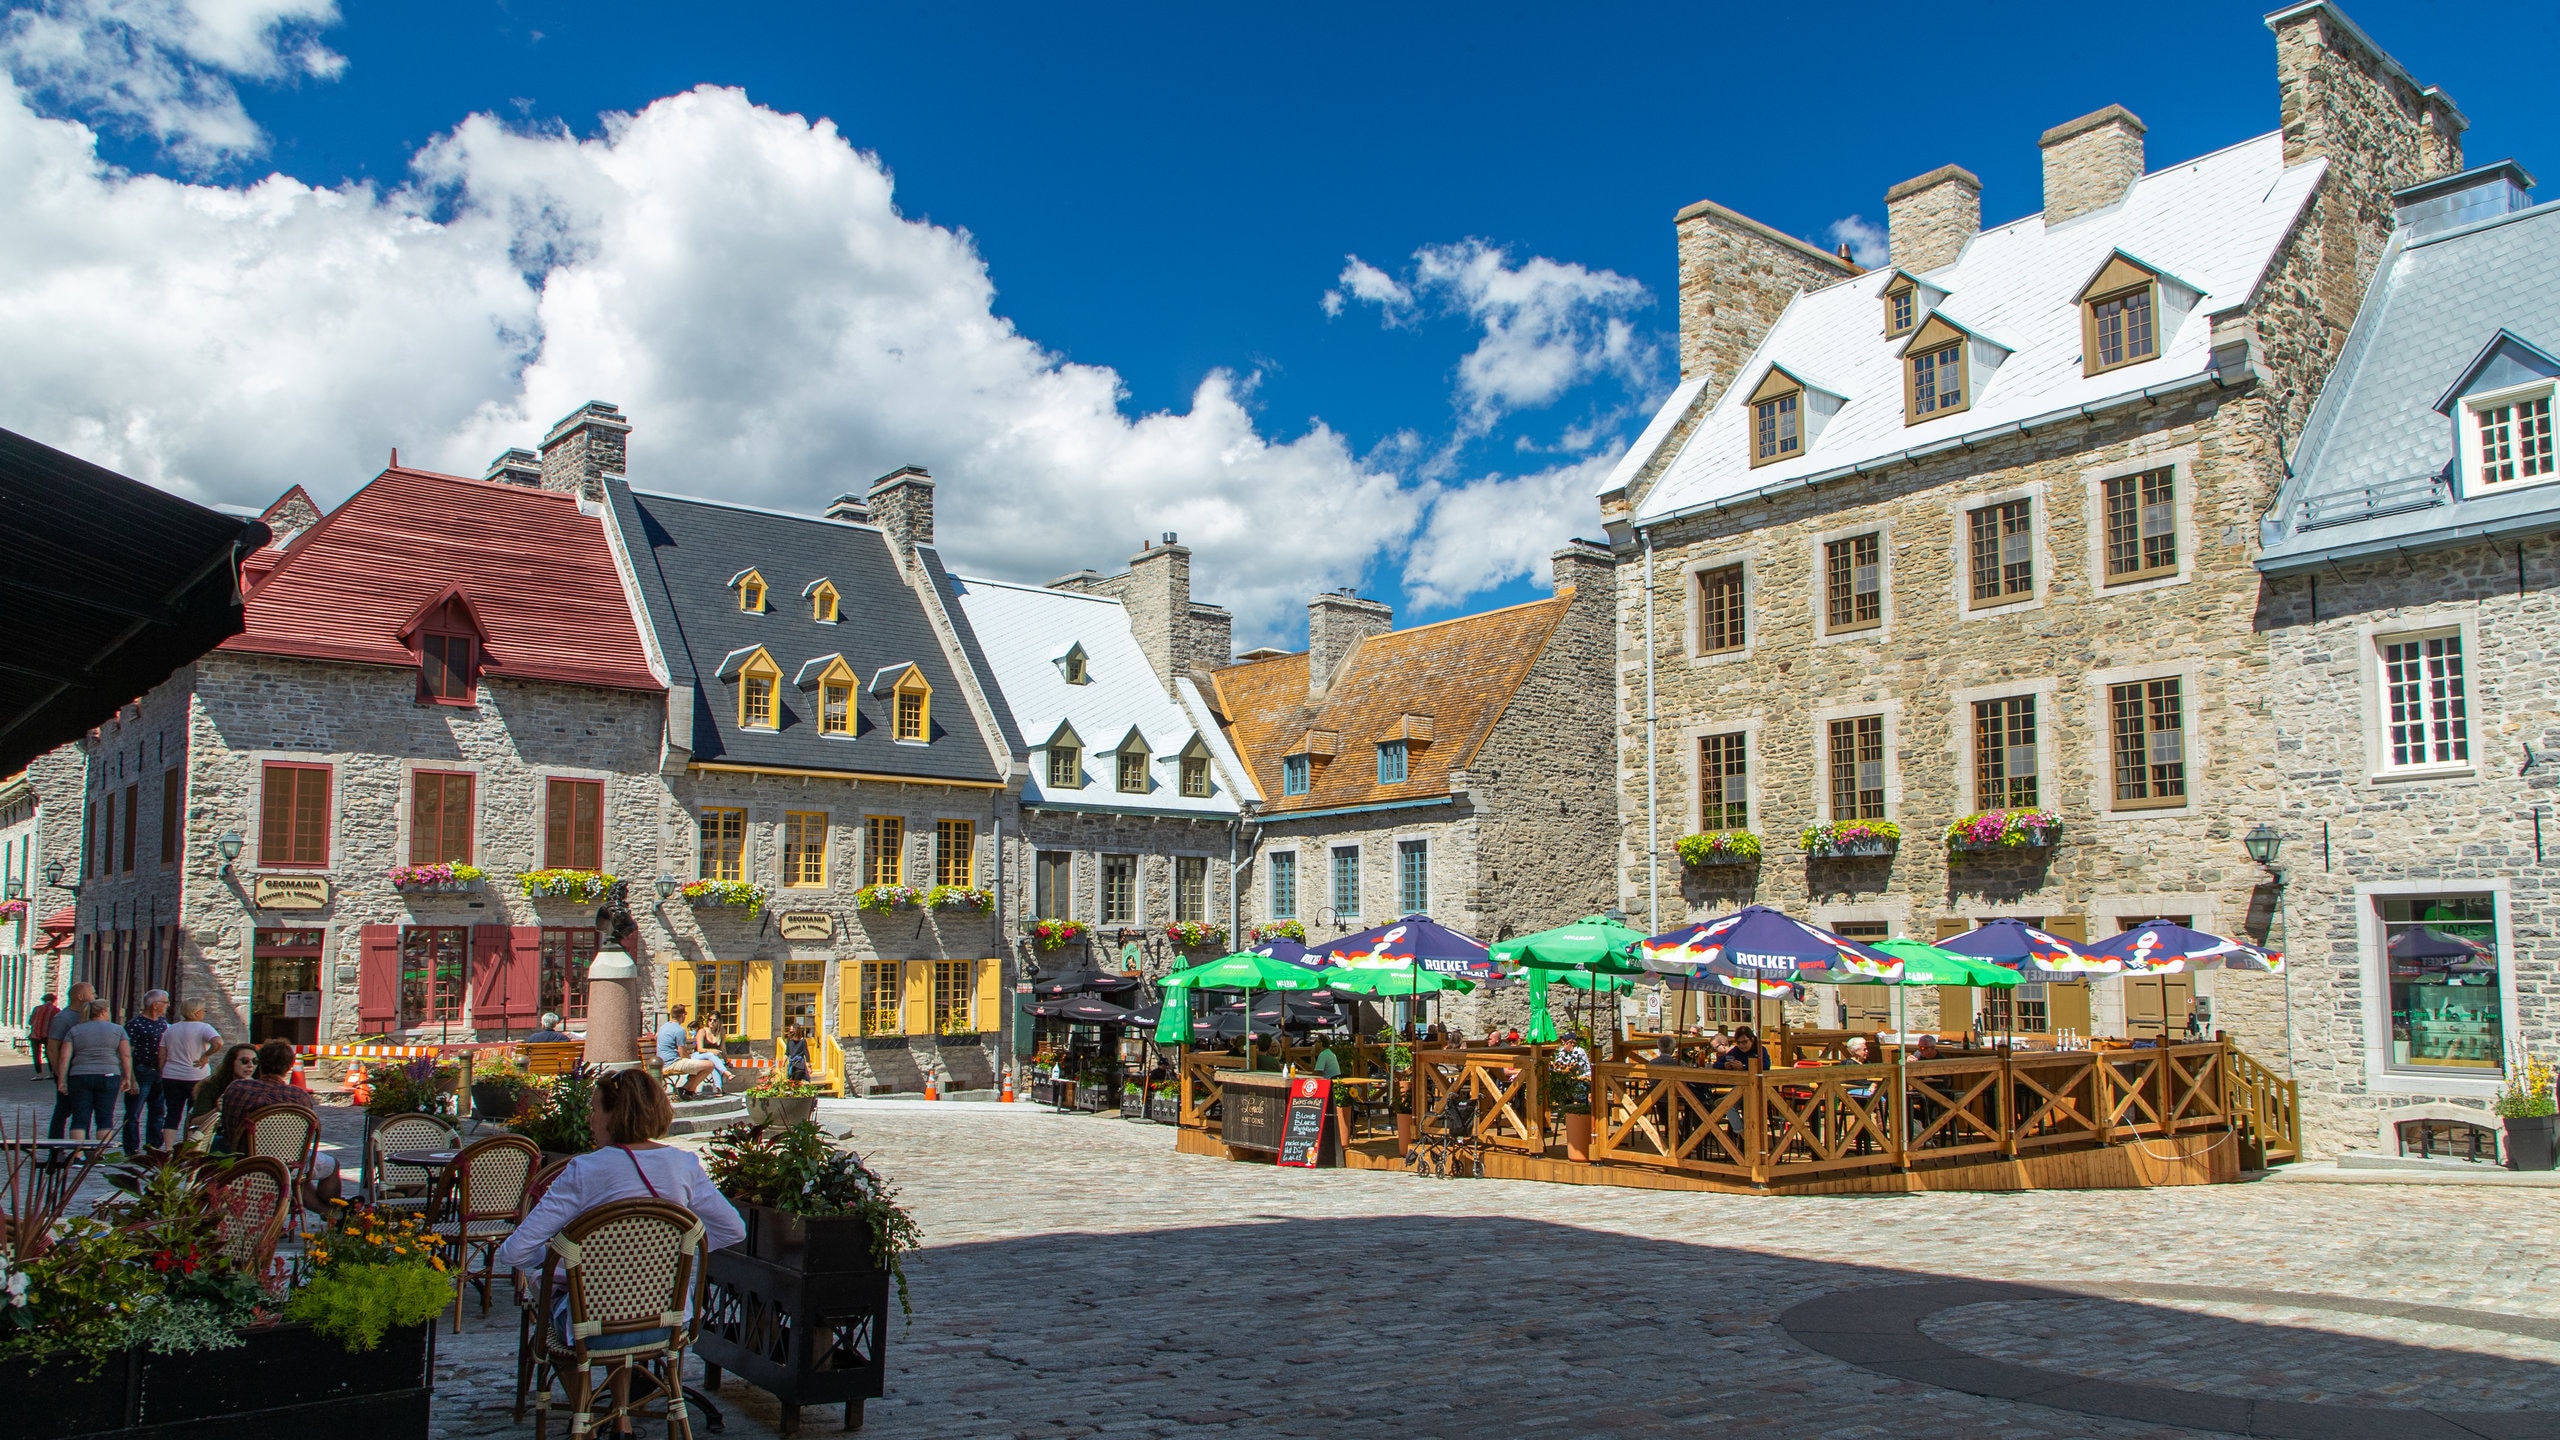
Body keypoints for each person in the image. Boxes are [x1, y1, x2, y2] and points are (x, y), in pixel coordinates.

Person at [495, 1068, 746, 1377]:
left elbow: (514, 1251)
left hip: (593, 1328)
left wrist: (556, 1263)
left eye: (594, 1110)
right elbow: (732, 1229)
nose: (590, 1119)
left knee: (554, 1301)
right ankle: (622, 1416)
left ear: (615, 1115)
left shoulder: (584, 1170)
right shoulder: (684, 1165)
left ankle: (585, 1412)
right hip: (667, 1323)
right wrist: (673, 1252)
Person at [218, 1040, 340, 1202]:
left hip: (244, 1160)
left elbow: (227, 1124)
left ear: (259, 1063)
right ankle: (334, 1211)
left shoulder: (237, 1088)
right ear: (289, 1067)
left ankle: (327, 1211)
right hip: (289, 1164)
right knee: (331, 1166)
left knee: (296, 1175)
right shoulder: (300, 1097)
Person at [56, 999, 134, 1143]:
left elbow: (64, 1057)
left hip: (80, 1075)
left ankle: (77, 1155)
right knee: (105, 1117)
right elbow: (126, 1055)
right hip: (109, 1074)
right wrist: (127, 1077)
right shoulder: (117, 1030)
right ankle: (100, 1155)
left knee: (80, 1117)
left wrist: (62, 1080)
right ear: (104, 1012)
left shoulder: (75, 1030)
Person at [156, 1001, 222, 1148]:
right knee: (195, 1114)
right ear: (196, 1012)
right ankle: (190, 1146)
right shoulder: (204, 1028)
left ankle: (168, 1148)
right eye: (204, 1010)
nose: (204, 1013)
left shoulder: (170, 1029)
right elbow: (218, 1043)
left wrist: (163, 1072)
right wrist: (206, 1055)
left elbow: (162, 1055)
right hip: (196, 1076)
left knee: (173, 1112)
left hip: (172, 1076)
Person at [120, 990, 170, 1155]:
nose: (167, 1005)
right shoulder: (135, 1025)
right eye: (165, 1002)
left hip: (159, 1073)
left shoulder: (163, 1024)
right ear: (155, 1005)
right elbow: (128, 1053)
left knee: (158, 1111)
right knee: (134, 1112)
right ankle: (131, 1147)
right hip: (142, 1071)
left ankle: (153, 1146)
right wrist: (131, 1078)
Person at [45, 981, 96, 1138]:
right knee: (63, 1109)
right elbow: (52, 1047)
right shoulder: (63, 1018)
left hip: (82, 1071)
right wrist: (58, 1072)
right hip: (68, 1070)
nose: (95, 996)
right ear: (81, 996)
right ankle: (56, 1146)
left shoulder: (89, 1016)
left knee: (82, 1109)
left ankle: (82, 1146)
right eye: (92, 993)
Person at [189, 1043, 260, 1145]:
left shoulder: (259, 1087)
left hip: (251, 1139)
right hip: (219, 1137)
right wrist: (216, 1110)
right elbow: (194, 1122)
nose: (251, 1065)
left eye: (255, 1061)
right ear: (231, 1063)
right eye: (245, 1061)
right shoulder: (211, 1087)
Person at [654, 1004, 716, 1098]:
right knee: (710, 1065)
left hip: (662, 1062)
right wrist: (690, 1059)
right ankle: (686, 1090)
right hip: (672, 1063)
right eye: (685, 1014)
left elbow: (656, 1036)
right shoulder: (679, 1030)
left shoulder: (664, 1027)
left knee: (697, 1065)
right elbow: (682, 1053)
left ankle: (687, 1091)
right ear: (682, 1015)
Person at [691, 1015, 734, 1095]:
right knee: (711, 1056)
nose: (712, 1022)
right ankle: (726, 1073)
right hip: (698, 1055)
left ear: (719, 1022)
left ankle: (718, 1089)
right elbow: (700, 1049)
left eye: (714, 1020)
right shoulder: (702, 1031)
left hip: (711, 1059)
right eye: (710, 1020)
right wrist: (712, 1051)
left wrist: (726, 1061)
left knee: (713, 1063)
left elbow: (722, 1048)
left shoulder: (721, 1031)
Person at [25, 992, 59, 1078]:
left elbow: (31, 1021)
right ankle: (51, 1073)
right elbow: (57, 1023)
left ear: (44, 1000)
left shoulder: (37, 1009)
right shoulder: (56, 1010)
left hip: (35, 1035)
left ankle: (39, 1074)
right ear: (54, 1000)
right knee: (49, 1053)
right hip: (48, 1035)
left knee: (36, 1054)